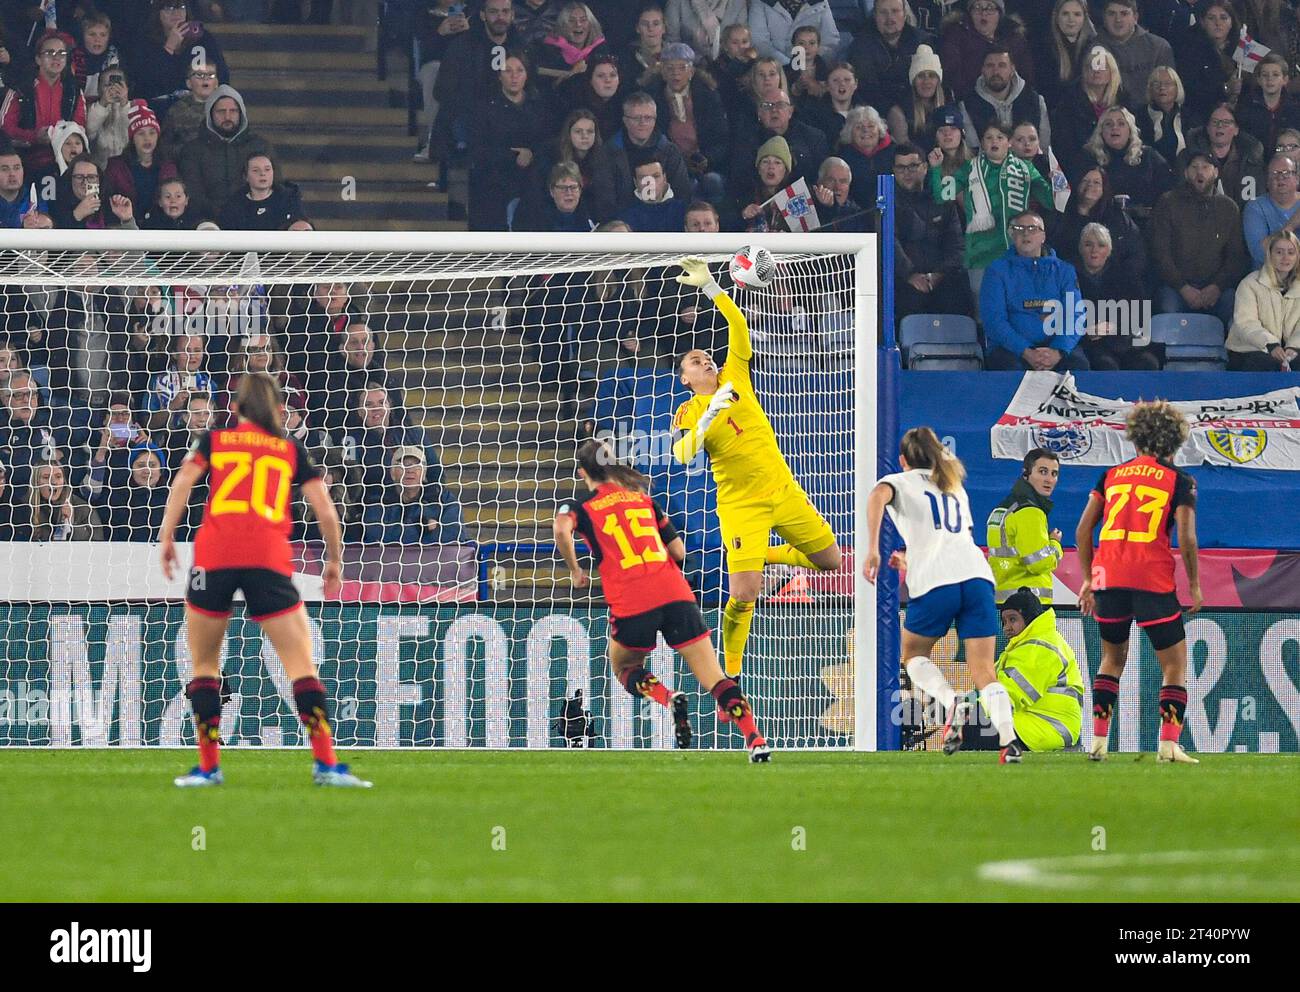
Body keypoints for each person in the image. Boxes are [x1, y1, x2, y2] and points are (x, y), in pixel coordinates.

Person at [159, 372, 369, 788]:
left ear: (234, 409)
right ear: (277, 411)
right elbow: (326, 511)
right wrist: (333, 561)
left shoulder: (215, 441)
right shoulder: (290, 449)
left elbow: (182, 481)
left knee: (205, 665)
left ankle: (208, 766)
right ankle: (326, 764)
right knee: (300, 665)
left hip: (215, 556)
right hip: (268, 560)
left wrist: (167, 536)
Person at [671, 257, 842, 680]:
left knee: (831, 561)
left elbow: (738, 326)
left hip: (783, 492)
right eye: (695, 361)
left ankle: (759, 554)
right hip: (741, 505)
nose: (705, 361)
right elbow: (682, 455)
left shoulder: (737, 377)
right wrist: (709, 416)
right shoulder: (689, 412)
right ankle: (729, 672)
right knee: (745, 592)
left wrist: (712, 286)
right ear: (685, 379)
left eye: (706, 356)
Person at [554, 438, 770, 759]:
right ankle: (755, 739)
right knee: (714, 677)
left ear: (582, 471)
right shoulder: (643, 499)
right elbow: (679, 551)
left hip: (632, 599)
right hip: (675, 593)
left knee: (625, 666)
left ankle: (668, 697)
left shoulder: (580, 507)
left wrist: (575, 571)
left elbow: (560, 530)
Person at [863, 425, 1023, 764]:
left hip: (936, 581)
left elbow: (877, 495)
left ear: (904, 459)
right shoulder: (954, 485)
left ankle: (952, 702)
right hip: (977, 576)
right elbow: (949, 539)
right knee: (984, 671)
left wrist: (873, 549)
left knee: (913, 654)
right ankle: (1009, 741)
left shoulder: (901, 480)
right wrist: (911, 557)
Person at [1075, 400, 1201, 764]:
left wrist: (1088, 578)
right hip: (1152, 577)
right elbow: (1188, 538)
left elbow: (1084, 530)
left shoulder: (1112, 475)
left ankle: (1099, 741)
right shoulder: (1180, 481)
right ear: (1174, 442)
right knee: (1173, 665)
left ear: (1136, 440)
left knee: (1111, 659)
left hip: (1109, 577)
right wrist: (1194, 585)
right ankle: (1168, 744)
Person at [942, 589, 1085, 754]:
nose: (1007, 627)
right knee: (969, 723)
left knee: (970, 728)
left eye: (1013, 619)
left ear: (1029, 618)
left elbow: (1008, 695)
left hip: (1047, 728)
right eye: (1004, 621)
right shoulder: (1028, 645)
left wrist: (968, 712)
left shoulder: (1040, 648)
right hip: (1035, 724)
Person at [932, 121, 1054, 297]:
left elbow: (1049, 202)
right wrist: (936, 169)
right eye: (988, 137)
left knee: (1018, 308)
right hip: (981, 255)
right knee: (984, 313)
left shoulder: (1025, 168)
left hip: (1017, 253)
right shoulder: (969, 168)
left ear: (1009, 142)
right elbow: (942, 196)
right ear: (982, 143)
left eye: (1000, 137)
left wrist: (1055, 183)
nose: (994, 142)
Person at [981, 209, 1090, 370]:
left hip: (1055, 347)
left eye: (1032, 229)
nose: (1026, 234)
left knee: (1079, 365)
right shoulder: (996, 271)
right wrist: (1026, 351)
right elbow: (994, 321)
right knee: (1007, 368)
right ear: (1012, 236)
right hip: (1012, 350)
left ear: (1043, 237)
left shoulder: (1064, 271)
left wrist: (1058, 350)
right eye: (1019, 229)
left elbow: (1075, 315)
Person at [1152, 151, 1246, 326]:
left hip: (1216, 288)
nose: (1200, 172)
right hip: (1176, 288)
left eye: (1205, 167)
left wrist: (1217, 286)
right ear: (1186, 173)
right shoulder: (1167, 202)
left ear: (1216, 172)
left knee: (1237, 310)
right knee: (1166, 309)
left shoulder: (1229, 208)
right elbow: (1160, 253)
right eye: (1194, 167)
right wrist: (1182, 287)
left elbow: (1235, 256)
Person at [468, 52, 553, 230]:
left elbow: (547, 142)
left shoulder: (539, 106)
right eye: (508, 71)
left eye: (519, 70)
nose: (514, 76)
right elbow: (477, 149)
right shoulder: (484, 108)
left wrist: (531, 155)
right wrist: (512, 156)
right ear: (499, 76)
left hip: (532, 178)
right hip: (495, 180)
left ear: (527, 75)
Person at [891, 143, 970, 319]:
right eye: (901, 168)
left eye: (913, 166)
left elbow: (957, 246)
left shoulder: (942, 201)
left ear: (925, 167)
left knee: (958, 291)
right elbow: (890, 244)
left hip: (942, 278)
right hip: (904, 280)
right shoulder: (888, 204)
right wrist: (910, 275)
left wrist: (938, 274)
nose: (906, 172)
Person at [0, 29, 86, 183]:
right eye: (49, 53)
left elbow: (80, 128)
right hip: (26, 163)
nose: (56, 57)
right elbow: (5, 130)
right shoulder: (21, 89)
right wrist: (34, 137)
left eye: (61, 53)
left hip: (65, 166)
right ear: (38, 59)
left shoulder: (74, 91)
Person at [179, 85, 274, 220]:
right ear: (210, 115)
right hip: (208, 224)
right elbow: (193, 194)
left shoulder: (260, 147)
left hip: (254, 221)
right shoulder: (192, 151)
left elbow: (274, 186)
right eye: (221, 111)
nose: (227, 116)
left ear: (241, 113)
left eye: (233, 111)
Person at [648, 42, 729, 198]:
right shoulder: (653, 98)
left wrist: (707, 158)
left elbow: (721, 136)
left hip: (706, 162)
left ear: (691, 71)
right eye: (670, 68)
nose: (676, 74)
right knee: (687, 186)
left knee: (713, 182)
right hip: (671, 164)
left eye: (681, 68)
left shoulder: (708, 96)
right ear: (662, 72)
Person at [1075, 221, 1161, 369]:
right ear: (1081, 248)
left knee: (1148, 363)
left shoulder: (1126, 275)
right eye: (1089, 244)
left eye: (1101, 245)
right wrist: (1086, 330)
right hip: (1090, 344)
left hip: (1125, 341)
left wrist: (1112, 326)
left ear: (1109, 250)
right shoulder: (1069, 275)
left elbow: (1141, 314)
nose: (1094, 250)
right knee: (1106, 365)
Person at [986, 448, 1062, 606]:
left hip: (1003, 605)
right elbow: (1038, 563)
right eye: (1042, 471)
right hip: (1031, 608)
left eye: (1054, 474)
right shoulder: (1030, 512)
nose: (1049, 479)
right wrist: (1055, 543)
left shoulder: (1001, 510)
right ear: (1026, 474)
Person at [130, 0, 230, 112]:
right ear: (158, 12)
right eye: (169, 7)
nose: (176, 13)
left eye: (181, 7)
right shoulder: (145, 41)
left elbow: (222, 76)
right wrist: (169, 48)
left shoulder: (203, 39)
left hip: (197, 107)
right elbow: (145, 83)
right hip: (158, 109)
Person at [1081, 105, 1172, 219]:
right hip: (1101, 222)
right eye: (1108, 124)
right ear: (1101, 131)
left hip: (1146, 223)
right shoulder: (1089, 157)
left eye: (1121, 123)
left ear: (1130, 130)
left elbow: (1168, 194)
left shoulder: (1149, 156)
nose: (1115, 128)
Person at [1227, 229, 1300, 370]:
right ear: (1270, 255)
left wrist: (1294, 347)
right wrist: (1271, 344)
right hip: (1251, 350)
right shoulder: (1250, 283)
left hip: (1291, 350)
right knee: (1264, 363)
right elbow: (1246, 323)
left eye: (1291, 253)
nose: (1285, 257)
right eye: (1279, 252)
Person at [959, 46, 1052, 154]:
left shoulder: (1035, 100)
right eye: (990, 66)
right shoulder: (968, 105)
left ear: (1012, 69)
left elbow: (1044, 147)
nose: (996, 71)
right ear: (982, 70)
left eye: (1002, 65)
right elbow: (973, 150)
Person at [847, 0, 932, 119]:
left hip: (918, 109)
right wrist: (891, 109)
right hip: (877, 114)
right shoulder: (860, 46)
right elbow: (867, 89)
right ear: (875, 15)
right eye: (883, 12)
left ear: (904, 14)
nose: (890, 18)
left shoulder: (922, 41)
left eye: (895, 11)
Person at [1177, 102, 1264, 213]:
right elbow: (1181, 195)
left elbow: (1257, 200)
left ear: (1236, 130)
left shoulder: (1251, 159)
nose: (1220, 126)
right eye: (1215, 122)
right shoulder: (1187, 157)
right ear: (1207, 128)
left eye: (1226, 122)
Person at [939, 0, 1034, 101]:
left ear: (999, 13)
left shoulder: (1014, 39)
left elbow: (1027, 78)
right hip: (970, 103)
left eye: (990, 8)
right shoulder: (956, 36)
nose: (983, 13)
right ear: (970, 13)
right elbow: (952, 77)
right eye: (977, 7)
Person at [1175, 0, 1241, 120]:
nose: (1218, 23)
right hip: (1201, 116)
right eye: (1211, 18)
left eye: (1223, 18)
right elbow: (1190, 89)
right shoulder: (1190, 51)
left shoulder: (1241, 50)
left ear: (1231, 22)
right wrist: (1225, 88)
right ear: (1202, 22)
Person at [1096, 0, 1174, 100]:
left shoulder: (1159, 47)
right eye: (1111, 14)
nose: (1118, 20)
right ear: (1104, 18)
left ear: (1135, 17)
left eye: (1124, 13)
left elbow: (1169, 91)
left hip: (1150, 113)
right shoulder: (1093, 48)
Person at [1033, 0, 1097, 110]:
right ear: (1056, 16)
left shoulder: (1094, 48)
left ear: (1084, 18)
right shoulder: (1044, 48)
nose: (1071, 19)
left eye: (1077, 14)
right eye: (1065, 14)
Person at [884, 47, 950, 153]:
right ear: (913, 81)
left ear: (938, 81)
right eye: (921, 76)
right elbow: (904, 148)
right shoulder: (898, 112)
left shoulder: (949, 107)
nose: (926, 81)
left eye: (932, 76)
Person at [219, 153, 304, 231]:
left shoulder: (289, 199)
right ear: (246, 176)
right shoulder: (234, 204)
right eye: (256, 170)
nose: (262, 173)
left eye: (267, 169)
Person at [1234, 53, 1300, 154]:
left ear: (1285, 80)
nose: (1270, 79)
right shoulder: (1245, 107)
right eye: (1265, 75)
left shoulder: (1295, 110)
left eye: (1275, 75)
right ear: (1259, 80)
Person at [1243, 152, 1300, 267]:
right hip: (1265, 279)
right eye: (1274, 174)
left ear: (1297, 178)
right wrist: (1291, 225)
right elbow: (1258, 254)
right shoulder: (1255, 207)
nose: (1280, 178)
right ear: (1267, 181)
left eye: (1287, 173)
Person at [1138, 64, 1199, 167]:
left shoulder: (1190, 116)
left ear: (1177, 88)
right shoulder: (1139, 117)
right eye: (1157, 84)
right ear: (1150, 89)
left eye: (1167, 84)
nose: (1162, 88)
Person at [748, 0, 839, 69]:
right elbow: (759, 42)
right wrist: (789, 66)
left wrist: (812, 66)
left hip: (814, 70)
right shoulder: (760, 2)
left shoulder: (820, 2)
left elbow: (830, 41)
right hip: (774, 70)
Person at [28, 459, 103, 541]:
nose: (53, 482)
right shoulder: (25, 510)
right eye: (46, 477)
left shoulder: (83, 508)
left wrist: (71, 524)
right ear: (36, 482)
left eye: (58, 477)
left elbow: (97, 544)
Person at [161, 60, 219, 162]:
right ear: (189, 83)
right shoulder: (176, 111)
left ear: (216, 83)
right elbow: (165, 147)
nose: (205, 78)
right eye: (199, 75)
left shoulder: (226, 107)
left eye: (210, 75)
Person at [835, 104, 891, 208]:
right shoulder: (842, 158)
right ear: (850, 132)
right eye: (859, 127)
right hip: (855, 214)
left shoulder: (893, 152)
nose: (865, 130)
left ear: (879, 130)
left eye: (871, 126)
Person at [619, 156, 688, 230]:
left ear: (664, 178)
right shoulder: (623, 217)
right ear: (635, 183)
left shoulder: (685, 212)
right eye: (644, 178)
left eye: (656, 176)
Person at [666, 0, 747, 59]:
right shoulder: (676, 2)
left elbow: (741, 40)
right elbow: (673, 43)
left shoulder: (738, 3)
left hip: (726, 67)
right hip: (688, 66)